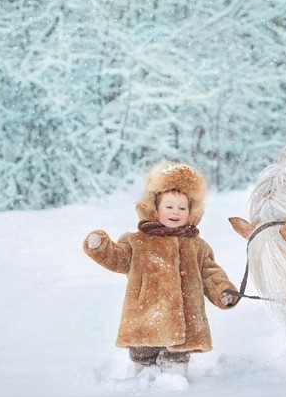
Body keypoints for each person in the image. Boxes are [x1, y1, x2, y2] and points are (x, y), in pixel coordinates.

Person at [83, 161, 239, 378]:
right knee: (142, 359)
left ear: (191, 212)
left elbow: (210, 273)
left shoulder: (196, 246)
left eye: (182, 208)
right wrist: (101, 248)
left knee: (176, 362)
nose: (175, 212)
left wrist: (223, 292)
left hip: (185, 322)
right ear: (154, 208)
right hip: (145, 317)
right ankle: (142, 386)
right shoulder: (138, 242)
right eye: (169, 207)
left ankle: (174, 389)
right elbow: (118, 259)